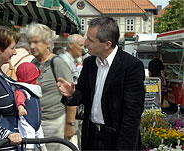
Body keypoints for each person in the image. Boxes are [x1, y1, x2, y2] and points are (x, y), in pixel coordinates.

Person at [57, 16, 145, 150]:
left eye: (90, 40)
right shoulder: (89, 63)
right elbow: (83, 95)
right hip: (91, 137)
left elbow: (132, 114)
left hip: (116, 140)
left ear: (107, 44)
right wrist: (72, 94)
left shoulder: (131, 66)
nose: (85, 43)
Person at [26, 23, 76, 151]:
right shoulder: (34, 62)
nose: (32, 46)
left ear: (48, 43)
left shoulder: (57, 62)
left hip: (54, 122)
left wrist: (70, 124)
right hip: (36, 122)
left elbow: (71, 95)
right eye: (30, 42)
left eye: (36, 42)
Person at [11, 62, 47, 151]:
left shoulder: (33, 90)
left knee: (40, 137)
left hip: (36, 121)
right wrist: (20, 107)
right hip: (27, 120)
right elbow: (19, 99)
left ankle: (43, 148)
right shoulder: (22, 91)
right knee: (29, 139)